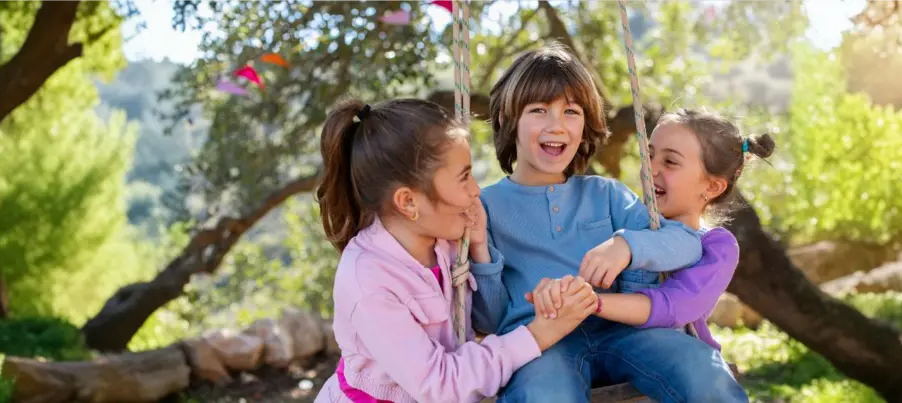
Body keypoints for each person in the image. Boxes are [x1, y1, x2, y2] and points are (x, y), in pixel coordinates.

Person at [469, 43, 747, 402]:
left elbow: (686, 242)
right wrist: (479, 249)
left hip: (624, 332)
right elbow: (489, 321)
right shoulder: (486, 207)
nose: (557, 125)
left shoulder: (607, 195)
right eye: (539, 110)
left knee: (699, 367)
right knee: (543, 393)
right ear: (508, 120)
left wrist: (626, 246)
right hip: (541, 341)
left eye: (570, 111)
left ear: (584, 125)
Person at [313, 98, 599, 403]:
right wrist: (539, 334)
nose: (476, 190)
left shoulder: (445, 242)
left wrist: (478, 249)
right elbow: (442, 386)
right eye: (464, 177)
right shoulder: (368, 281)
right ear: (408, 202)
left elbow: (486, 323)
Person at [531, 107, 776, 382]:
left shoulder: (717, 247)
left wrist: (592, 302)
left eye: (670, 162)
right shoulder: (625, 222)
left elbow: (673, 307)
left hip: (674, 364)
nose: (651, 168)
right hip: (609, 355)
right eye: (649, 154)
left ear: (712, 187)